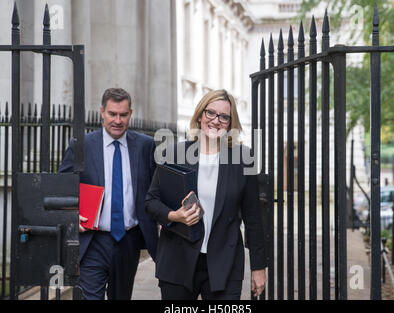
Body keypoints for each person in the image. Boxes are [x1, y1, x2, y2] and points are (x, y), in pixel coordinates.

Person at [145, 89, 266, 300]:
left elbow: (254, 219)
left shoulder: (242, 160)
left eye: (224, 117)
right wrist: (174, 216)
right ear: (200, 115)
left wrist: (258, 267)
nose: (216, 121)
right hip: (178, 260)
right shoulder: (174, 154)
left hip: (224, 264)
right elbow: (151, 202)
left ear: (230, 123)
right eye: (210, 113)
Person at [58, 88, 157, 300]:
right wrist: (70, 214)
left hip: (129, 241)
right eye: (112, 114)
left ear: (131, 113)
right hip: (93, 241)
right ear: (102, 112)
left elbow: (154, 189)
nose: (118, 120)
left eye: (123, 114)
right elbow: (61, 187)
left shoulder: (145, 145)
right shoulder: (81, 146)